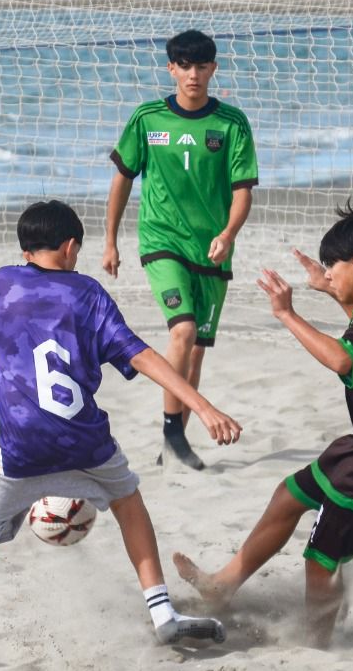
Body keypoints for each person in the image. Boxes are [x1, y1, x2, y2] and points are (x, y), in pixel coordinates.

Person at [0, 199, 243, 671]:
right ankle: (161, 611)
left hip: (12, 451)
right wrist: (202, 405)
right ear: (72, 247)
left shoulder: (0, 286)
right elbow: (140, 355)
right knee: (128, 500)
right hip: (83, 443)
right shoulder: (88, 294)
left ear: (25, 248)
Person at [173, 195, 353, 649]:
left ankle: (317, 641)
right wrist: (330, 291)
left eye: (331, 266)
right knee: (289, 495)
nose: (327, 272)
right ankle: (222, 585)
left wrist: (287, 314)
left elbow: (341, 358)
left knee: (319, 554)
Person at [104, 28, 259, 472]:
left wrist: (228, 233)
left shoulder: (231, 124)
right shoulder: (147, 119)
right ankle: (172, 433)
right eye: (184, 66)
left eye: (201, 65)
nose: (193, 74)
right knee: (182, 332)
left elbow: (242, 192)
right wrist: (110, 240)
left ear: (213, 68)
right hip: (160, 242)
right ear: (171, 69)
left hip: (211, 251)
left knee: (194, 352)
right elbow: (122, 179)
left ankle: (174, 445)